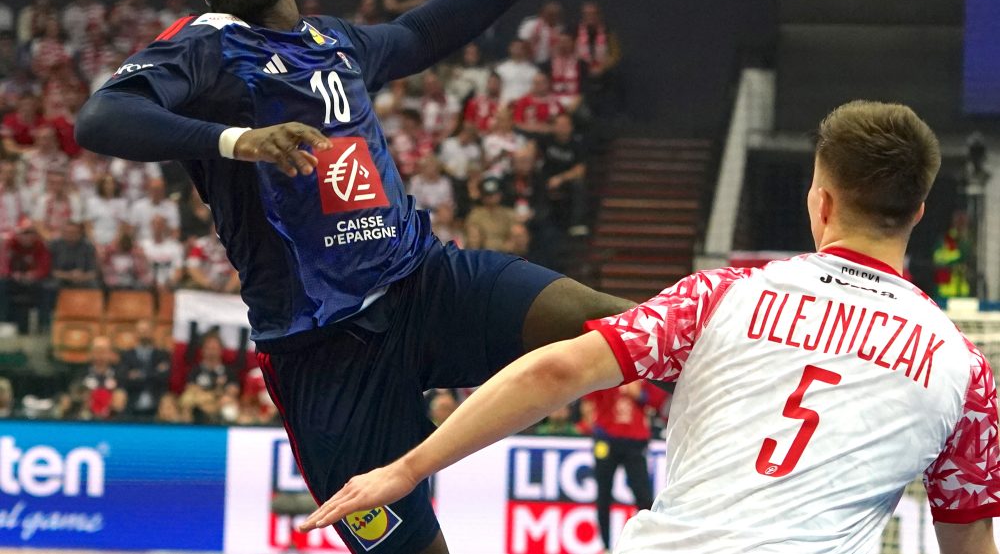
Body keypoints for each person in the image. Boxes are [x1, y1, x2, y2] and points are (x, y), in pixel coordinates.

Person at [76, 0, 631, 554]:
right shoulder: (207, 46)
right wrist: (237, 140)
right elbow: (101, 117)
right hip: (325, 354)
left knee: (625, 322)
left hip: (424, 286)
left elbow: (422, 31)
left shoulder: (334, 41)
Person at [304, 101, 1000, 554]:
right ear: (918, 211)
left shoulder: (726, 292)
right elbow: (968, 540)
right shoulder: (963, 370)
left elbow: (557, 369)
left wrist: (408, 465)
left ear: (819, 200)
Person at [587, 381, 670, 553]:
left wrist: (639, 395)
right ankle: (605, 547)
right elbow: (590, 399)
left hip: (635, 441)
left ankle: (649, 544)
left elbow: (658, 403)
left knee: (643, 496)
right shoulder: (608, 368)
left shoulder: (644, 373)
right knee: (603, 494)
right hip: (606, 438)